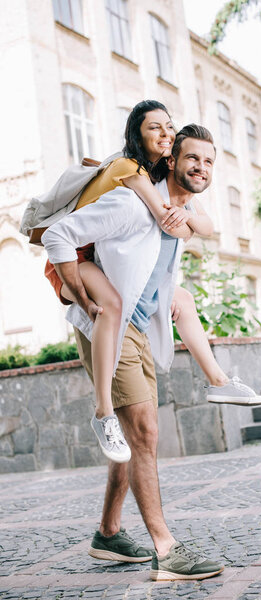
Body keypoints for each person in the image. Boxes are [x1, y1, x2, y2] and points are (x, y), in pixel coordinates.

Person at [42, 124, 226, 581]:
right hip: (110, 324)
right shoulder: (130, 201)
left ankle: (108, 532)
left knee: (137, 433)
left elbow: (206, 230)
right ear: (170, 161)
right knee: (142, 430)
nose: (200, 168)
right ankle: (167, 551)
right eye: (191, 159)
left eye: (208, 161)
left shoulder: (179, 211)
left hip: (141, 329)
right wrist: (82, 295)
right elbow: (58, 235)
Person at [43, 101, 261, 462]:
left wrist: (187, 217)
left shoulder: (164, 179)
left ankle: (219, 382)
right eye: (155, 128)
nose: (165, 134)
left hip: (110, 265)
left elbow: (206, 226)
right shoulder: (129, 170)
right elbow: (148, 207)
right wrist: (82, 298)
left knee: (184, 299)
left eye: (169, 127)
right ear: (139, 136)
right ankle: (103, 413)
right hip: (76, 259)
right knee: (110, 306)